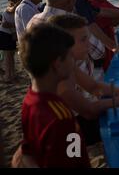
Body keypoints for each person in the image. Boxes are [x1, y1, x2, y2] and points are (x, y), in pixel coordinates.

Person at [48, 14, 119, 148]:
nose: (89, 44)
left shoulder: (69, 64)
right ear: (63, 45)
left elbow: (93, 87)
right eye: (83, 40)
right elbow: (89, 111)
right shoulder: (60, 80)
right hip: (63, 134)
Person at [19, 24, 90, 167]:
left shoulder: (29, 100)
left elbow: (28, 148)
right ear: (57, 63)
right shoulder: (62, 117)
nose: (73, 61)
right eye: (70, 56)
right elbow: (74, 158)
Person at [0, 0, 24, 82]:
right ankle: (8, 76)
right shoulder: (9, 8)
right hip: (4, 34)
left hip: (11, 34)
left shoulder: (18, 9)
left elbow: (14, 23)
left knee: (11, 56)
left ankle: (12, 74)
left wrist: (12, 25)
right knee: (8, 57)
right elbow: (12, 11)